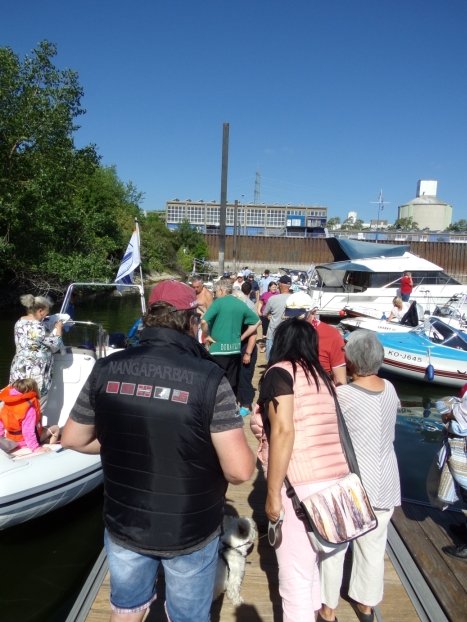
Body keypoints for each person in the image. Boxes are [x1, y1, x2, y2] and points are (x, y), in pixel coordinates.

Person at [61, 279, 255, 622]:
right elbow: (240, 471)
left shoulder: (106, 368)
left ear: (149, 316)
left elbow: (73, 439)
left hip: (125, 521)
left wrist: (122, 442)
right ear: (191, 320)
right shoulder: (210, 378)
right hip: (190, 528)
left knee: (126, 610)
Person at [250, 318, 349, 621]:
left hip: (300, 487)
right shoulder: (321, 378)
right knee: (312, 569)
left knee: (294, 580)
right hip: (335, 481)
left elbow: (284, 431)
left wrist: (272, 495)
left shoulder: (280, 373)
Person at [319, 329, 401, 622]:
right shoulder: (390, 388)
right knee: (373, 547)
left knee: (335, 547)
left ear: (351, 360)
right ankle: (366, 606)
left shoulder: (342, 396)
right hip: (386, 479)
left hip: (352, 481)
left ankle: (328, 608)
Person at [201, 279, 260, 396]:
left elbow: (203, 321)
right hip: (235, 349)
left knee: (215, 381)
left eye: (215, 292)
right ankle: (230, 402)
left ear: (221, 290)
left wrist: (206, 335)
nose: (215, 295)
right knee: (231, 381)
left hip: (218, 349)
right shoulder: (240, 303)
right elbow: (256, 321)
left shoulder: (218, 302)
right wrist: (242, 337)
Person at [10, 294, 64, 406]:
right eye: (46, 314)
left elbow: (33, 339)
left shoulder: (19, 322)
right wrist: (58, 328)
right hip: (36, 372)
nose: (45, 317)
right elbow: (56, 345)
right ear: (40, 311)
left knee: (17, 401)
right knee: (36, 404)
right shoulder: (38, 327)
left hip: (19, 369)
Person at [283, 292, 347, 386]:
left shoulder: (331, 334)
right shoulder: (284, 332)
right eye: (290, 318)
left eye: (300, 318)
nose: (294, 323)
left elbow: (340, 379)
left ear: (314, 312)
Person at [0, 378, 60, 453]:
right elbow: (28, 431)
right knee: (56, 428)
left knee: (46, 427)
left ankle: (45, 441)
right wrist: (36, 448)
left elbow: (1, 424)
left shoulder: (7, 403)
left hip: (11, 438)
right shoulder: (29, 407)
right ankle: (52, 449)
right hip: (24, 442)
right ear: (33, 389)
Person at [237, 281, 259, 417]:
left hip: (247, 349)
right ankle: (239, 400)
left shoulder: (248, 311)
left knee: (245, 376)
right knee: (238, 376)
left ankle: (246, 404)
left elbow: (254, 334)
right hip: (238, 348)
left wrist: (248, 353)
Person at [262, 275, 292, 360]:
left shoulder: (273, 299)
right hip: (289, 334)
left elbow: (264, 313)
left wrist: (269, 316)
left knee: (271, 360)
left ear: (280, 284)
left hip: (273, 333)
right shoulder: (295, 298)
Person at [258, 281, 278, 352]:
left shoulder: (278, 294)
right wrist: (259, 311)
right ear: (269, 287)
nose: (274, 288)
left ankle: (273, 346)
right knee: (265, 331)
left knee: (274, 331)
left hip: (274, 316)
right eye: (273, 287)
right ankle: (263, 347)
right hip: (265, 315)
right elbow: (261, 303)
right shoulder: (265, 294)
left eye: (275, 287)